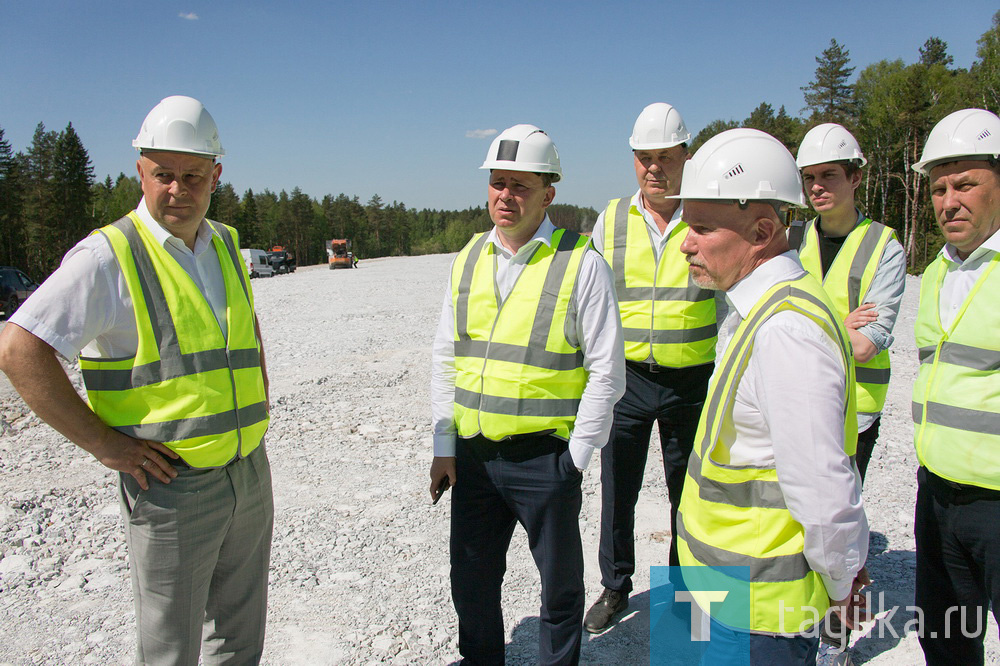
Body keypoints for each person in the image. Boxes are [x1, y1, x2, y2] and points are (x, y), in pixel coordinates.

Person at [0, 96, 273, 666]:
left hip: (248, 473)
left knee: (241, 642)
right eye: (163, 174)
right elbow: (19, 348)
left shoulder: (223, 242)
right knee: (171, 651)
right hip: (172, 489)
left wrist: (259, 408)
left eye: (192, 175)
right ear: (140, 172)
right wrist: (105, 444)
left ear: (216, 176)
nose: (177, 188)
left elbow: (243, 334)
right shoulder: (108, 256)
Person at [428, 124, 625, 665]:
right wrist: (444, 445)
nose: (504, 196)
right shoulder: (469, 257)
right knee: (471, 584)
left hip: (544, 459)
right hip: (473, 456)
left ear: (548, 193)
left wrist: (576, 460)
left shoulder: (581, 263)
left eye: (519, 185)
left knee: (559, 593)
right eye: (497, 182)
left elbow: (607, 373)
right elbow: (447, 356)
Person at [672, 128, 869, 663]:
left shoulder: (787, 331)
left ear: (762, 231)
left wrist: (841, 581)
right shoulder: (752, 308)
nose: (685, 242)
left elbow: (822, 491)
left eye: (702, 228)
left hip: (757, 615)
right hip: (715, 589)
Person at [585, 103, 719, 633]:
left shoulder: (708, 215)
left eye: (666, 156)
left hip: (693, 380)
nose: (654, 168)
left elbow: (730, 301)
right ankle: (616, 587)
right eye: (644, 158)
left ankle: (687, 595)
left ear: (686, 156)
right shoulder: (613, 218)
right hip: (629, 380)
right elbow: (589, 299)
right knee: (619, 489)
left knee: (691, 492)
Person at [793, 125, 905, 664]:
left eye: (829, 175)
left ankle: (836, 637)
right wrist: (841, 321)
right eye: (809, 177)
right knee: (794, 523)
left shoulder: (884, 246)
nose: (818, 186)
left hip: (852, 416)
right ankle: (797, 621)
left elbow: (868, 344)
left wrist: (807, 329)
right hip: (792, 407)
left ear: (856, 177)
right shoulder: (792, 240)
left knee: (840, 528)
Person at [910, 107, 1000, 666]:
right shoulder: (940, 270)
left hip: (996, 502)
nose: (949, 201)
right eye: (940, 188)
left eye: (965, 184)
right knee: (943, 636)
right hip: (937, 493)